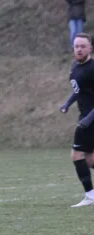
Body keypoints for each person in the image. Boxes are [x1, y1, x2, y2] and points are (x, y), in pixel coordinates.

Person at [60, 33, 94, 207]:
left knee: (77, 155)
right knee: (90, 160)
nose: (79, 49)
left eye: (83, 46)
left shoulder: (92, 68)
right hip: (86, 117)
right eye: (76, 46)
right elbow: (78, 91)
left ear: (90, 48)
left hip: (90, 119)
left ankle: (90, 196)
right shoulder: (75, 67)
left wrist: (88, 119)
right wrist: (66, 104)